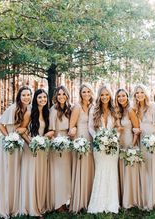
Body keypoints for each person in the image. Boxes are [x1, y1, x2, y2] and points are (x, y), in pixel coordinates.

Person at [0, 86, 32, 219]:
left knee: (16, 174)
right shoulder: (13, 108)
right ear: (19, 96)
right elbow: (0, 124)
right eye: (23, 95)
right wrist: (8, 138)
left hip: (18, 144)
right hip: (8, 145)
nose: (26, 97)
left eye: (28, 95)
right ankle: (4, 207)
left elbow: (24, 128)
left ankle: (14, 206)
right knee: (7, 175)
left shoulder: (29, 109)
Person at [19, 89, 53, 217]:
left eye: (45, 97)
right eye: (40, 97)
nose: (42, 100)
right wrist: (31, 143)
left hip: (43, 150)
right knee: (32, 177)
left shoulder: (46, 113)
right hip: (31, 150)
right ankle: (32, 208)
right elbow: (21, 130)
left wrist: (47, 137)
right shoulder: (29, 113)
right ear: (35, 99)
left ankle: (40, 204)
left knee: (40, 177)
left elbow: (50, 131)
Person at [88, 85, 119, 213]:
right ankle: (98, 204)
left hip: (113, 146)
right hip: (99, 145)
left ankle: (112, 203)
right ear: (99, 96)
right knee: (100, 171)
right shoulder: (94, 109)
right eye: (102, 95)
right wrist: (97, 138)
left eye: (107, 94)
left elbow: (117, 127)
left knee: (111, 171)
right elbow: (90, 127)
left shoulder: (115, 109)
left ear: (110, 96)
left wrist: (114, 138)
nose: (105, 97)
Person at [133, 84, 155, 210]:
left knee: (153, 170)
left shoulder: (153, 107)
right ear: (134, 95)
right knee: (143, 170)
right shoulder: (134, 109)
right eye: (137, 93)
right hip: (141, 142)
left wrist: (153, 138)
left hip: (152, 143)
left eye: (142, 92)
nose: (139, 95)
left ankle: (153, 201)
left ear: (146, 94)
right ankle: (144, 199)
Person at [69, 83, 95, 213]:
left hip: (90, 139)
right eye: (84, 92)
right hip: (80, 140)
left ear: (91, 93)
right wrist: (76, 142)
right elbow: (71, 127)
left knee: (90, 168)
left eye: (88, 92)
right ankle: (79, 201)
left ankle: (89, 199)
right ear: (80, 93)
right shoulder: (77, 107)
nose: (86, 94)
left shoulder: (92, 106)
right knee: (81, 168)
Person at [115, 88, 141, 209]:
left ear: (127, 96)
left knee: (129, 171)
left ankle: (130, 199)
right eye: (119, 96)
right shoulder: (116, 111)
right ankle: (121, 198)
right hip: (119, 143)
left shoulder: (130, 110)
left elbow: (137, 129)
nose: (121, 98)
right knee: (121, 170)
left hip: (129, 141)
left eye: (123, 96)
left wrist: (133, 145)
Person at [48, 85, 72, 212]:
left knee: (66, 174)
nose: (61, 96)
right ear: (56, 97)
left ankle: (65, 200)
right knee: (58, 175)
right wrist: (56, 143)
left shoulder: (69, 109)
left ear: (67, 95)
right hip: (57, 144)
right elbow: (51, 130)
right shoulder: (53, 110)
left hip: (68, 143)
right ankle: (58, 204)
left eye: (64, 94)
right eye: (59, 94)